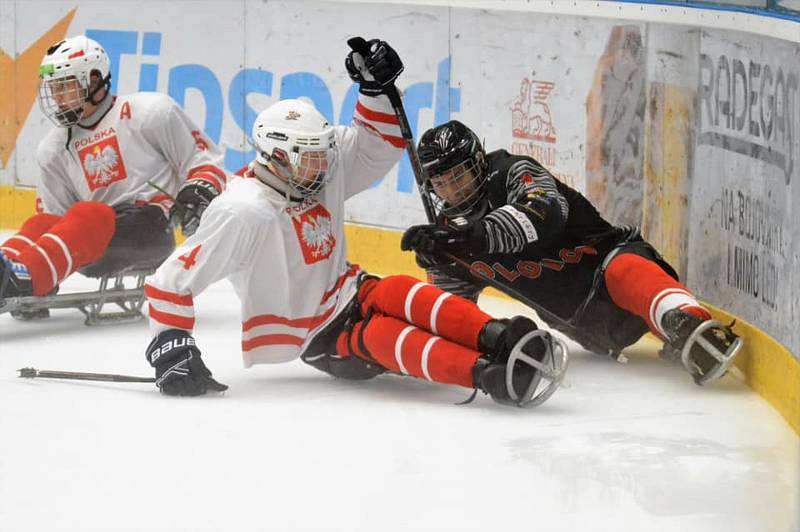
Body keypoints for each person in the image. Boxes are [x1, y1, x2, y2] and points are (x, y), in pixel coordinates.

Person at [141, 38, 567, 408]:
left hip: (351, 289)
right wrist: (170, 344)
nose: (325, 163)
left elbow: (374, 146)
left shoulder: (314, 166)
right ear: (278, 157)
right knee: (381, 336)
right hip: (319, 336)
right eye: (312, 156)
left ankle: (500, 335)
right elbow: (169, 281)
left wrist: (375, 89)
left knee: (398, 289)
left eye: (323, 151)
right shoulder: (242, 211)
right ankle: (483, 374)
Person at [400, 120, 742, 385]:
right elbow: (453, 311)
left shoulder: (513, 172)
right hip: (588, 328)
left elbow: (546, 213)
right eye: (441, 181)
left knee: (622, 270)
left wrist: (470, 238)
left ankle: (688, 320)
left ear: (478, 161)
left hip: (612, 265)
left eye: (458, 174)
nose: (452, 188)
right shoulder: (448, 239)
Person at [0, 35, 226, 311]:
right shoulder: (53, 147)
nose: (57, 98)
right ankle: (13, 271)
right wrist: (47, 272)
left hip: (149, 230)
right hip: (95, 243)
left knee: (90, 213)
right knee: (41, 224)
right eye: (53, 89)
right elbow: (54, 218)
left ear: (94, 81)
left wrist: (197, 193)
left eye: (65, 87)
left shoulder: (151, 111)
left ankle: (22, 280)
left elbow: (203, 157)